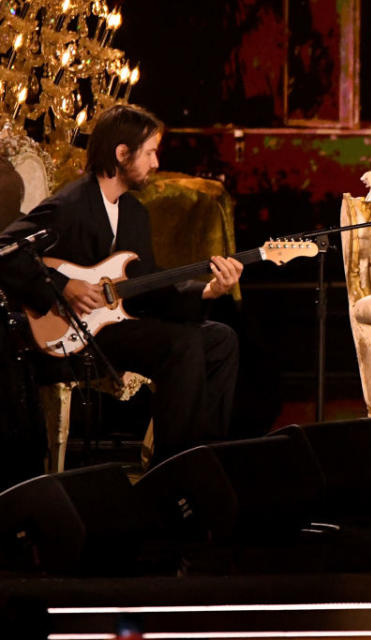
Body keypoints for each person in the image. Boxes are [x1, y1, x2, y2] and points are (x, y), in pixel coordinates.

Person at [0, 104, 243, 465]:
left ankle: (204, 455)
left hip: (115, 325)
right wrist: (64, 285)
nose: (156, 163)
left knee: (221, 339)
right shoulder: (69, 205)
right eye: (149, 153)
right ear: (121, 153)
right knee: (182, 342)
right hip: (74, 334)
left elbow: (146, 284)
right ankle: (175, 469)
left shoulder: (134, 213)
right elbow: (6, 252)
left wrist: (208, 290)